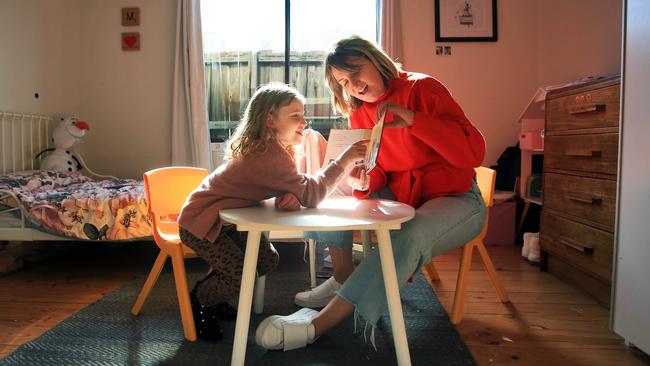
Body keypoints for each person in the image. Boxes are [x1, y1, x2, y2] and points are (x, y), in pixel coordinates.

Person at [255, 36, 487, 351]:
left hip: (457, 197)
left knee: (409, 233)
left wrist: (413, 119)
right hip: (407, 194)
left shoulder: (423, 89)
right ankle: (342, 275)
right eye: (343, 82)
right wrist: (364, 179)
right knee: (333, 181)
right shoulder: (361, 112)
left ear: (374, 60)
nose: (354, 85)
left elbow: (473, 153)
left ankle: (316, 325)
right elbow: (379, 169)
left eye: (356, 73)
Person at [177, 82, 368, 341]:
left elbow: (281, 184)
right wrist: (343, 161)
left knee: (267, 260)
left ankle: (217, 294)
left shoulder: (272, 150)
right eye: (295, 116)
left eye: (304, 115)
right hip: (200, 221)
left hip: (224, 219)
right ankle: (198, 302)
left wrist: (287, 193)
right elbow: (312, 194)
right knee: (240, 275)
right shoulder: (270, 155)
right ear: (270, 120)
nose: (304, 121)